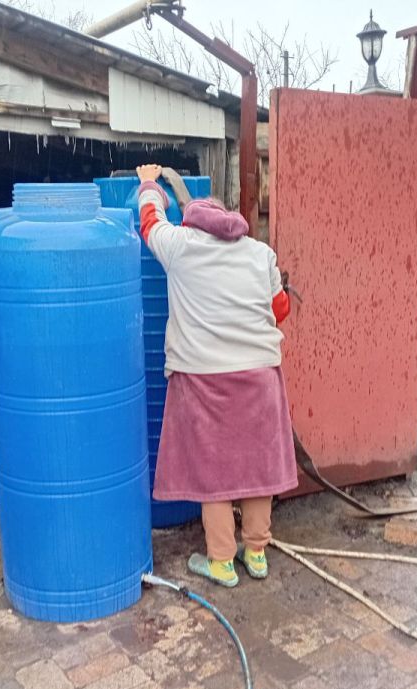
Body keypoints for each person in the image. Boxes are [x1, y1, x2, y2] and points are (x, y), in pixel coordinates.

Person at [135, 163, 298, 588]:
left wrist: (150, 183)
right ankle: (257, 553)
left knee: (215, 473)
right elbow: (280, 311)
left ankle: (222, 561)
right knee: (258, 468)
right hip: (260, 379)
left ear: (193, 222)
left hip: (204, 380)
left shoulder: (180, 244)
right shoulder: (259, 253)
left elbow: (150, 222)